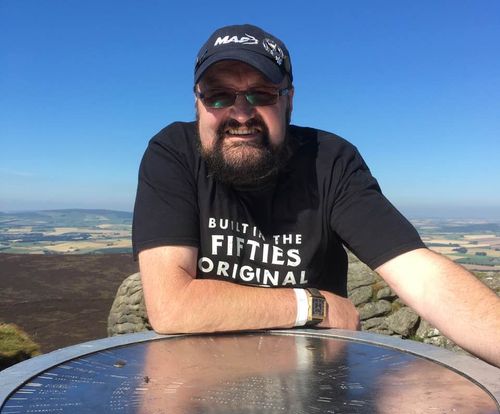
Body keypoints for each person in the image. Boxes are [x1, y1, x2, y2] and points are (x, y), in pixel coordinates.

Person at [132, 24, 500, 367]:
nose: (241, 114)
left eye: (262, 93)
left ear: (289, 100)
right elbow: (172, 305)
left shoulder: (330, 161)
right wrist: (312, 305)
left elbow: (422, 276)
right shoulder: (174, 153)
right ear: (197, 102)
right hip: (201, 374)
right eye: (218, 95)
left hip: (314, 386)